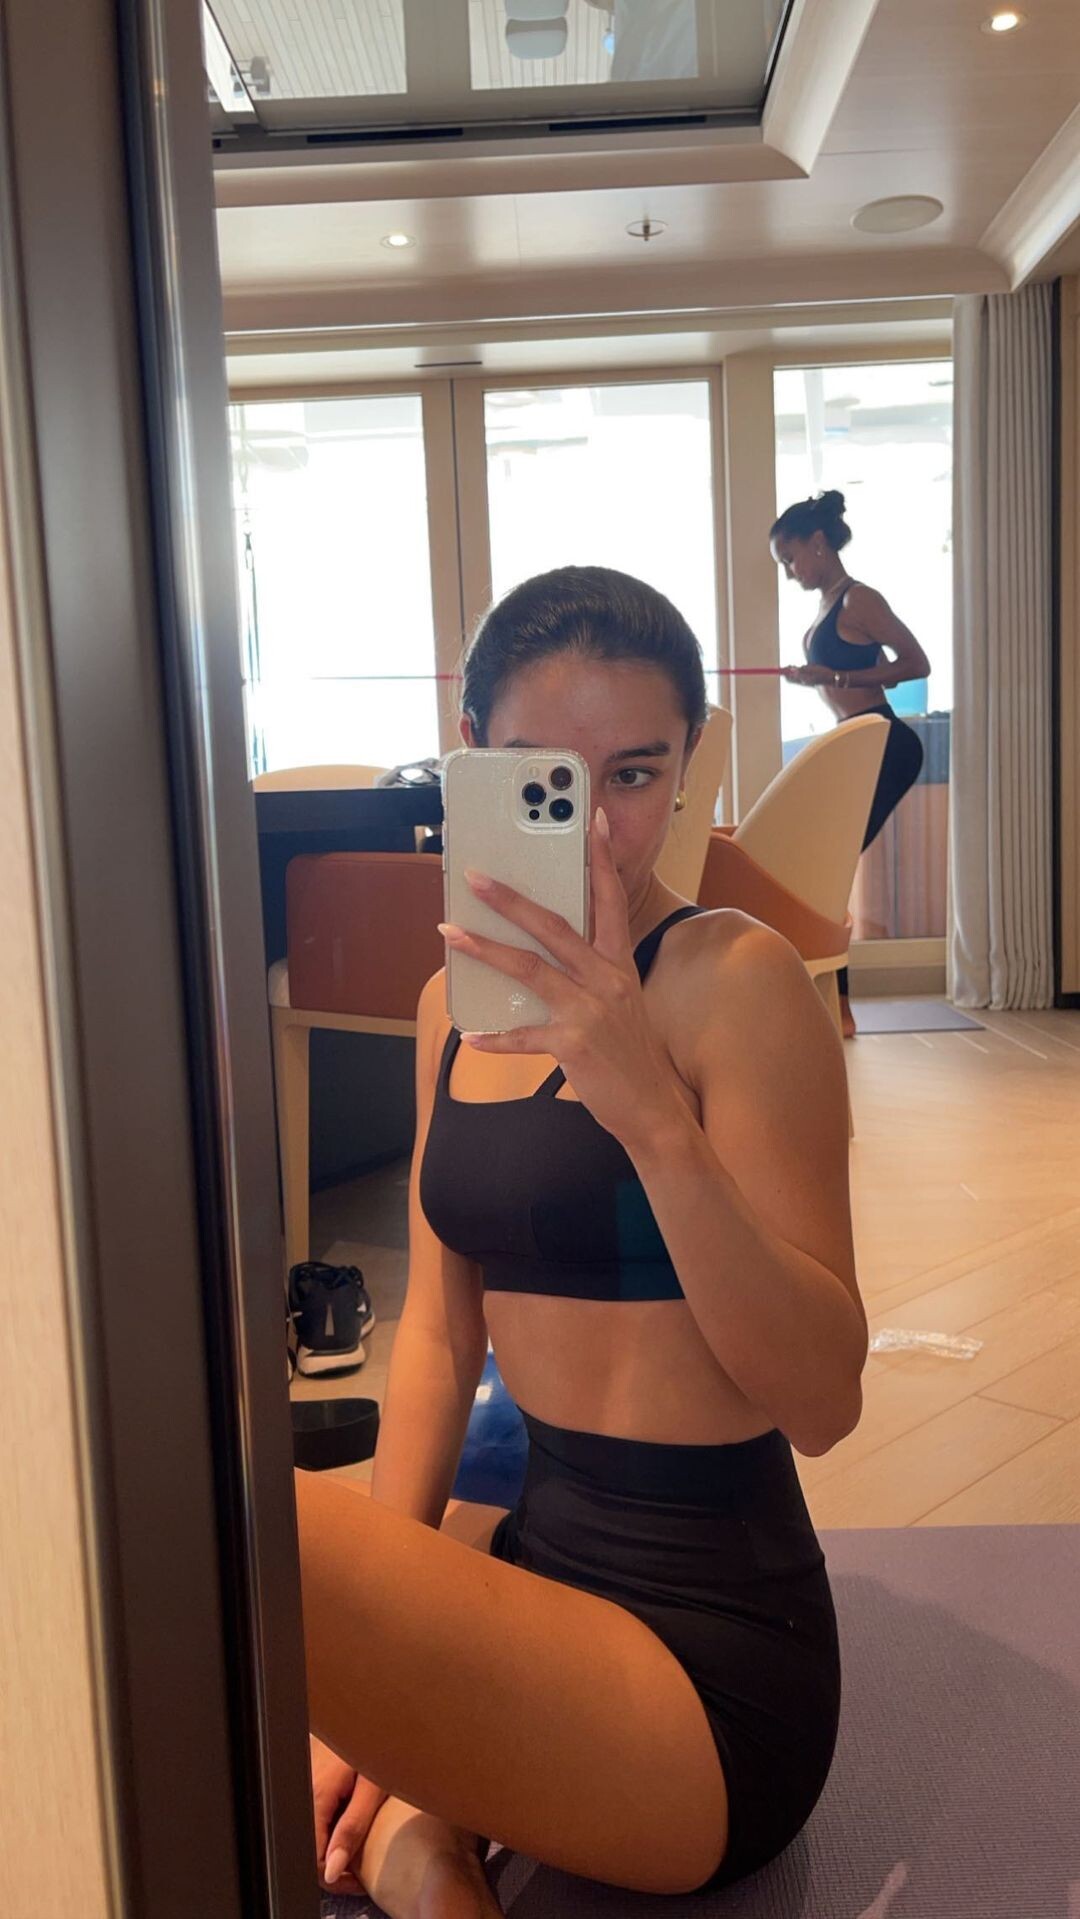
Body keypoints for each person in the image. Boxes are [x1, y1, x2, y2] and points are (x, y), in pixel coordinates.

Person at [298, 565, 867, 1919]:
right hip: (535, 1564)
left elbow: (824, 1400)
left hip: (711, 1661)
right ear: (471, 754)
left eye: (636, 773)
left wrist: (648, 1108)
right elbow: (440, 1336)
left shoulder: (736, 981)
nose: (600, 831)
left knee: (234, 1521)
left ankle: (434, 1813)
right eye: (548, 777)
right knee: (343, 1799)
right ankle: (433, 1845)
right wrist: (367, 1670)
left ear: (688, 766)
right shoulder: (448, 1006)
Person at [770, 491, 932, 1037]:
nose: (790, 572)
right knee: (824, 865)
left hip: (883, 742)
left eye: (790, 559)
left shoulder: (859, 600)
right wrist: (812, 676)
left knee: (830, 866)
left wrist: (836, 676)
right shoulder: (828, 604)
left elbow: (917, 663)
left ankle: (839, 1007)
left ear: (818, 543)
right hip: (854, 742)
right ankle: (830, 999)